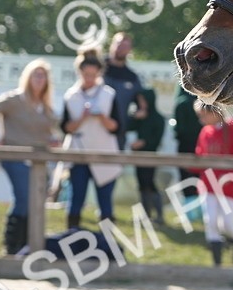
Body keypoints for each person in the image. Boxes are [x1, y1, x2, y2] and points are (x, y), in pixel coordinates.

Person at [0, 59, 59, 255]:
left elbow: (45, 131)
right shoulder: (15, 100)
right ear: (28, 77)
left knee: (36, 201)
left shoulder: (46, 107)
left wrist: (52, 140)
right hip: (15, 156)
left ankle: (28, 244)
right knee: (23, 198)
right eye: (36, 75)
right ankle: (12, 244)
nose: (39, 79)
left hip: (38, 160)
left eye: (43, 76)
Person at [61, 48, 121, 229]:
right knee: (76, 198)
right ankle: (72, 234)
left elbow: (117, 127)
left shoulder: (108, 94)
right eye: (86, 75)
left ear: (99, 73)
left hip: (104, 152)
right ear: (79, 72)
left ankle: (107, 240)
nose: (89, 79)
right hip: (79, 153)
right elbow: (65, 127)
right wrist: (82, 118)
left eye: (93, 75)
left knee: (105, 201)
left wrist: (101, 117)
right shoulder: (71, 95)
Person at [195, 103, 233, 266]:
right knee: (211, 222)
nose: (201, 119)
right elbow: (200, 155)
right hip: (208, 184)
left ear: (214, 112)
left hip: (228, 185)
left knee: (227, 224)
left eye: (204, 115)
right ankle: (217, 265)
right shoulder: (205, 131)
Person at [103, 32, 149, 150]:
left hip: (118, 135)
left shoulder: (132, 77)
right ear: (111, 45)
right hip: (93, 129)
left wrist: (135, 116)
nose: (121, 49)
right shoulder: (98, 69)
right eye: (119, 44)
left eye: (125, 46)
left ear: (130, 50)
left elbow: (142, 106)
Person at [127, 86, 166, 224]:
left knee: (149, 183)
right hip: (138, 156)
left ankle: (159, 215)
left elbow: (157, 139)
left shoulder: (158, 118)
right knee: (142, 184)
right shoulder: (140, 116)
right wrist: (135, 117)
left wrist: (143, 142)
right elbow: (126, 127)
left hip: (151, 156)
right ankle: (146, 214)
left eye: (143, 100)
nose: (141, 104)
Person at [173, 85, 202, 202]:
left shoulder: (181, 103)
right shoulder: (201, 102)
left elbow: (178, 129)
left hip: (184, 146)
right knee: (198, 177)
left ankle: (189, 205)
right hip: (200, 146)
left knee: (185, 178)